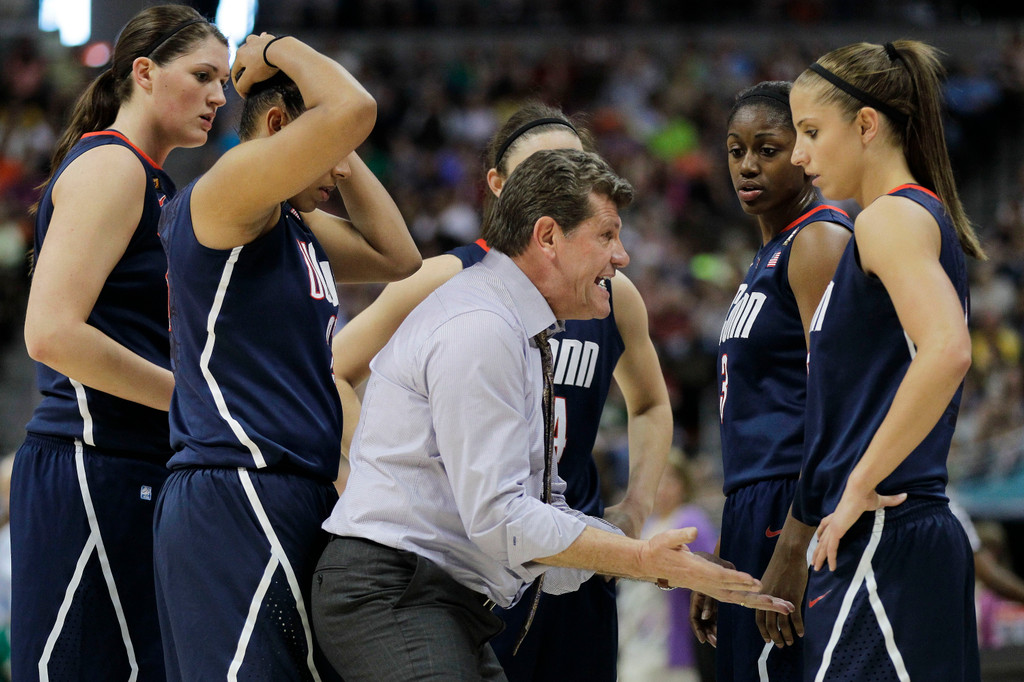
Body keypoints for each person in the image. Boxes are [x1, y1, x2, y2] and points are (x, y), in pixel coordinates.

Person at [311, 147, 793, 682]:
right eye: (607, 235)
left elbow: (537, 510)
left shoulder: (522, 327)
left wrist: (656, 560)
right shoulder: (482, 325)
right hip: (393, 591)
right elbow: (502, 520)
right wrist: (642, 560)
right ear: (547, 237)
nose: (623, 257)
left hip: (444, 598)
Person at [330, 102, 673, 682]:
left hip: (570, 552)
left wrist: (638, 504)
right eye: (541, 166)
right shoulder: (447, 279)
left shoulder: (610, 292)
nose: (558, 179)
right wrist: (371, 477)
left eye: (573, 164)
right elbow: (332, 371)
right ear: (498, 184)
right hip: (472, 558)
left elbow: (650, 403)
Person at [153, 33, 420, 680]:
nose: (339, 171)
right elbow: (354, 108)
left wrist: (340, 157)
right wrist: (275, 48)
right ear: (278, 125)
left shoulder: (294, 225)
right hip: (237, 485)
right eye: (331, 155)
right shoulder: (231, 189)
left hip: (290, 486)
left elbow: (398, 258)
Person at [11, 7, 229, 680]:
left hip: (133, 465)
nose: (220, 97)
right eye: (202, 75)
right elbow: (49, 333)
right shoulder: (113, 166)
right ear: (143, 72)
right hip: (89, 461)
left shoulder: (159, 185)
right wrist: (193, 399)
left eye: (224, 80)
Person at [780, 40, 985, 680]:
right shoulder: (902, 218)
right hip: (899, 538)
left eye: (812, 131)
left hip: (882, 535)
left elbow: (947, 349)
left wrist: (860, 482)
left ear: (866, 125)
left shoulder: (888, 219)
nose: (797, 154)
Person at [687, 80, 852, 682]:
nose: (748, 165)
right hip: (752, 503)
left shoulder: (820, 241)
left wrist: (793, 545)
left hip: (795, 504)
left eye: (768, 148)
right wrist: (730, 551)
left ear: (804, 154)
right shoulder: (767, 254)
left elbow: (839, 402)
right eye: (735, 150)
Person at [618, 450, 717, 682]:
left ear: (684, 484)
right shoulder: (646, 524)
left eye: (670, 479)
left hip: (673, 635)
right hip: (639, 627)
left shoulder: (691, 520)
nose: (662, 488)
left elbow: (707, 579)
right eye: (658, 480)